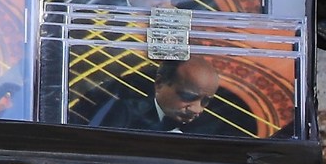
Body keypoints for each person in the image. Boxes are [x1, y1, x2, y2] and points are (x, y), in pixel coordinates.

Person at [88, 57, 235, 137]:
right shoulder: (124, 112)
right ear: (159, 84)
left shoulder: (212, 128)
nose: (197, 109)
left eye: (205, 101)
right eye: (187, 96)